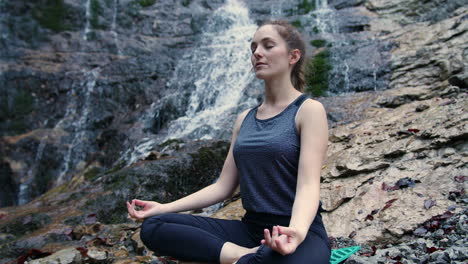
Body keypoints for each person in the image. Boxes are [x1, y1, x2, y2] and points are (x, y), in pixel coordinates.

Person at [126, 20, 331, 264]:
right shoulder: (244, 119)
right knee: (154, 226)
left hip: (300, 233)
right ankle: (242, 255)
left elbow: (308, 186)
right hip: (251, 231)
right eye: (253, 47)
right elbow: (223, 187)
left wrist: (295, 234)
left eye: (268, 46)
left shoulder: (308, 110)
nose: (257, 53)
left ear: (293, 56)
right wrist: (163, 207)